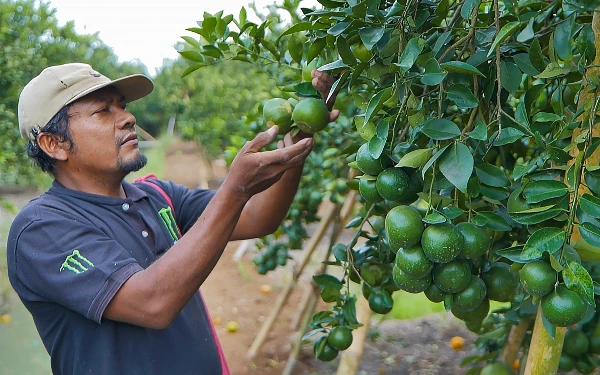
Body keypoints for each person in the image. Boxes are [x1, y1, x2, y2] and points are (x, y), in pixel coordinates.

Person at [6, 62, 339, 374]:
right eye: (103, 110)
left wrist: (298, 137)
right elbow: (152, 303)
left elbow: (257, 217)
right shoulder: (41, 229)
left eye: (122, 106)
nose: (127, 117)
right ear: (55, 143)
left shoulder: (156, 196)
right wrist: (234, 189)